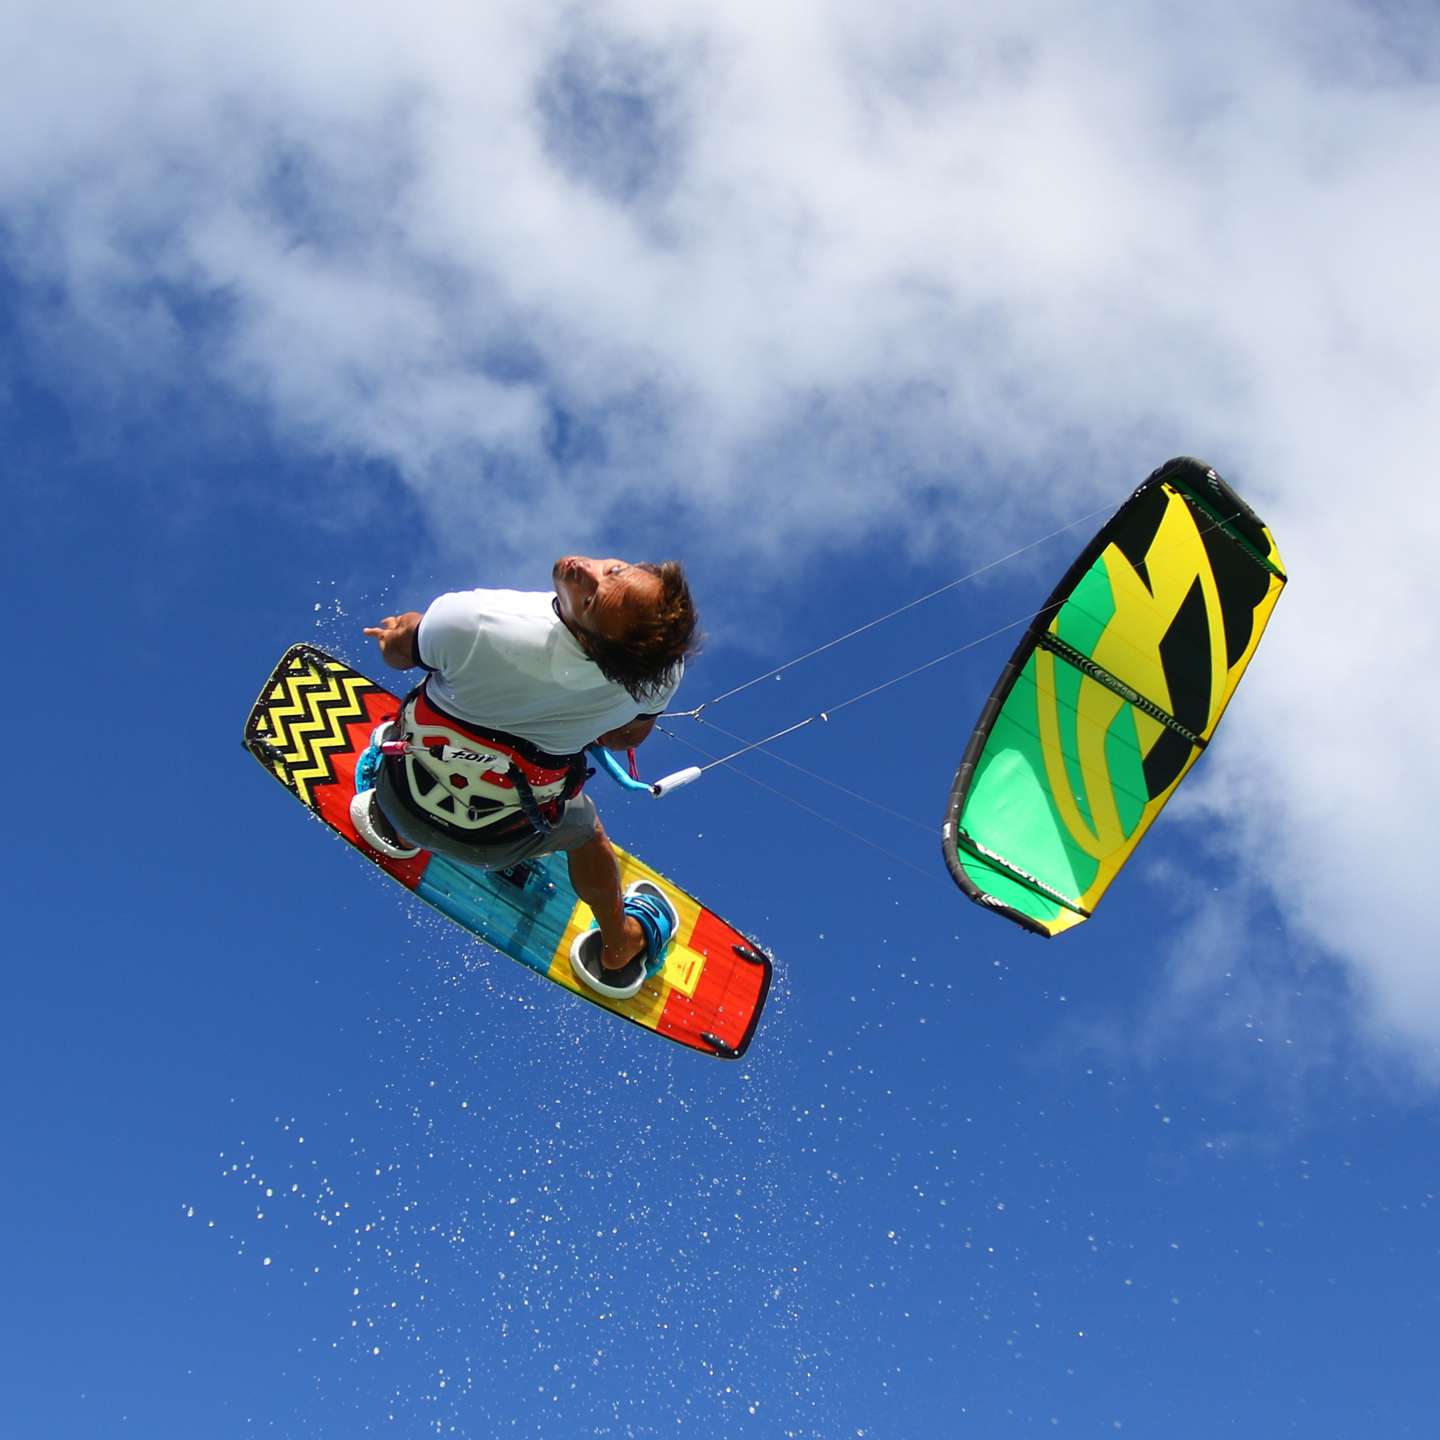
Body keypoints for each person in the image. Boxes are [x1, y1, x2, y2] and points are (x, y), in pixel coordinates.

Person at [353, 556, 700, 1001]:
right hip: (500, 840)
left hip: (401, 795)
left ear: (593, 644)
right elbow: (625, 736)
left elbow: (399, 653)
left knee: (415, 718)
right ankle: (619, 943)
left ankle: (389, 824)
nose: (583, 571)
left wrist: (398, 631)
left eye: (591, 600)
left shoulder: (474, 619)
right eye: (614, 570)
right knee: (586, 833)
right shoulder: (657, 674)